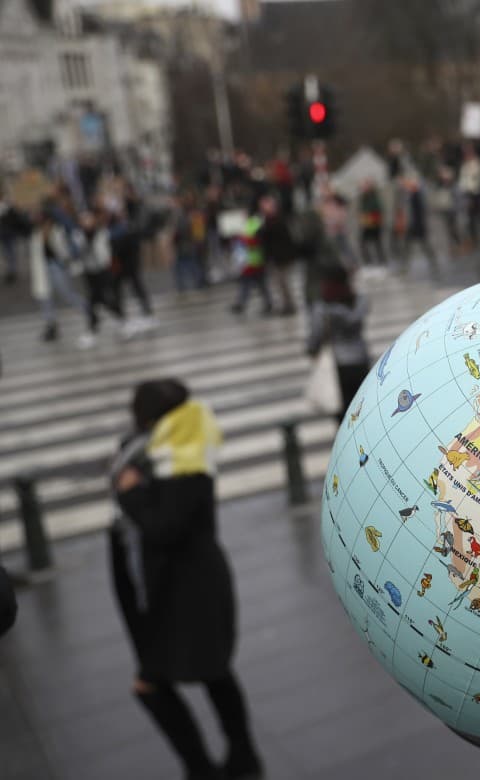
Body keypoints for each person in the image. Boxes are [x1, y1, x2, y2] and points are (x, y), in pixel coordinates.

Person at [109, 379, 262, 780]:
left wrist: (129, 494)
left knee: (159, 680)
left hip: (186, 590)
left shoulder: (182, 459)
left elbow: (165, 527)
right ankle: (239, 759)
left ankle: (206, 765)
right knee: (213, 673)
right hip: (176, 586)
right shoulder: (166, 450)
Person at [307, 265, 370, 424]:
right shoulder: (358, 301)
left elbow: (316, 335)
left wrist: (312, 349)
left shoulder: (322, 308)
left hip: (339, 365)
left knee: (343, 413)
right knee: (362, 407)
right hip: (360, 359)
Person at [29, 206, 86, 344]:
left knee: (67, 294)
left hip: (57, 267)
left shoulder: (57, 231)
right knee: (45, 298)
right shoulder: (36, 234)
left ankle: (88, 310)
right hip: (42, 269)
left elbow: (65, 251)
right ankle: (51, 325)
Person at [76, 209, 128, 348]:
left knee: (103, 299)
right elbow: (77, 251)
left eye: (88, 219)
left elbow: (107, 250)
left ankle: (116, 321)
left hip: (102, 271)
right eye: (83, 220)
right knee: (94, 300)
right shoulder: (79, 235)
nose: (86, 223)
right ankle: (101, 326)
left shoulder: (102, 233)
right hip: (89, 272)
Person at [229, 204, 274, 317]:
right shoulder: (248, 224)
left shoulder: (255, 223)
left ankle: (265, 303)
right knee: (250, 284)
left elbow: (256, 240)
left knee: (258, 284)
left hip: (255, 260)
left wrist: (244, 241)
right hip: (248, 260)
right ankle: (242, 303)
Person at [256, 194, 297, 315]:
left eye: (266, 206)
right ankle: (286, 304)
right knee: (279, 283)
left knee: (283, 282)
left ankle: (289, 305)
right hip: (275, 257)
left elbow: (279, 237)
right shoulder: (267, 220)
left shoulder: (277, 220)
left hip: (282, 257)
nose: (264, 208)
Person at [398, 173, 440, 280]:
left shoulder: (418, 196)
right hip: (412, 227)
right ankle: (404, 266)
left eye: (411, 184)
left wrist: (423, 225)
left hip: (419, 226)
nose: (408, 186)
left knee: (426, 246)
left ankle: (434, 264)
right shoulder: (410, 196)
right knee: (407, 247)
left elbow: (423, 212)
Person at [356, 179, 385, 267]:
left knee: (377, 243)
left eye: (366, 186)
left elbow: (377, 208)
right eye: (363, 186)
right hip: (366, 223)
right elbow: (361, 210)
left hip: (375, 222)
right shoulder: (363, 197)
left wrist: (369, 216)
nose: (364, 187)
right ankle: (369, 263)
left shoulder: (374, 196)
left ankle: (381, 262)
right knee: (363, 243)